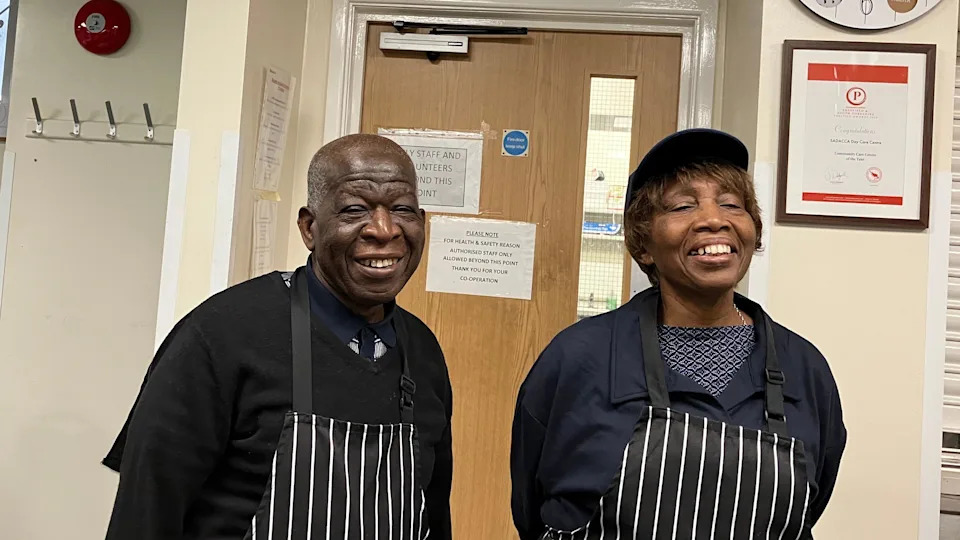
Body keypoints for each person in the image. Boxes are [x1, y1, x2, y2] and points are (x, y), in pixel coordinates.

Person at [103, 134, 453, 539]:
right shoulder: (221, 335)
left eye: (402, 210)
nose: (383, 229)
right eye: (355, 209)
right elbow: (144, 514)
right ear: (309, 227)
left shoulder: (423, 352)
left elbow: (435, 516)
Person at [510, 129, 846, 539]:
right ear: (643, 243)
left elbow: (809, 507)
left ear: (752, 230)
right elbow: (533, 506)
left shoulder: (804, 369)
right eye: (683, 206)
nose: (713, 219)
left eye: (731, 204)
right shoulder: (579, 358)